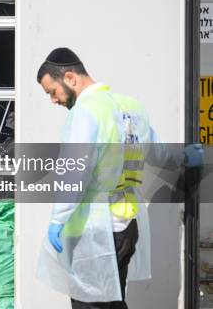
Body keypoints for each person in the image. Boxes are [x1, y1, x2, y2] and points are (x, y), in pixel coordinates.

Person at [34, 47, 202, 309]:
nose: (53, 100)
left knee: (92, 305)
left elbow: (75, 172)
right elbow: (158, 153)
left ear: (70, 77)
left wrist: (58, 219)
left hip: (93, 231)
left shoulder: (85, 112)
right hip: (126, 228)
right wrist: (186, 156)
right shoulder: (132, 108)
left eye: (51, 92)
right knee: (113, 302)